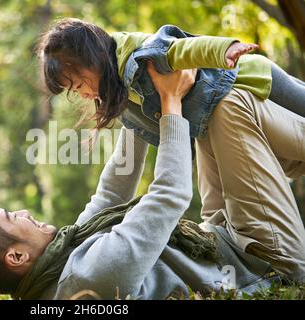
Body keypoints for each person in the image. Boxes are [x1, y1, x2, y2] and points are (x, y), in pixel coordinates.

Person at [0, 68, 278, 299]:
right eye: (12, 217)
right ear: (15, 257)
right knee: (232, 105)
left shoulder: (60, 265)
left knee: (212, 110)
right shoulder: (86, 279)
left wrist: (128, 100)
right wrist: (170, 103)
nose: (24, 212)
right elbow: (169, 195)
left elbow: (111, 193)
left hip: (220, 238)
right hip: (260, 260)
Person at [36, 18, 305, 281]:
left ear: (92, 60)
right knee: (223, 141)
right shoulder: (127, 98)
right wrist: (69, 243)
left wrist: (226, 49)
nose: (82, 95)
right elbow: (116, 184)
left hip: (249, 78)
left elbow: (185, 48)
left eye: (79, 85)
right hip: (233, 129)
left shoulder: (144, 59)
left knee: (286, 100)